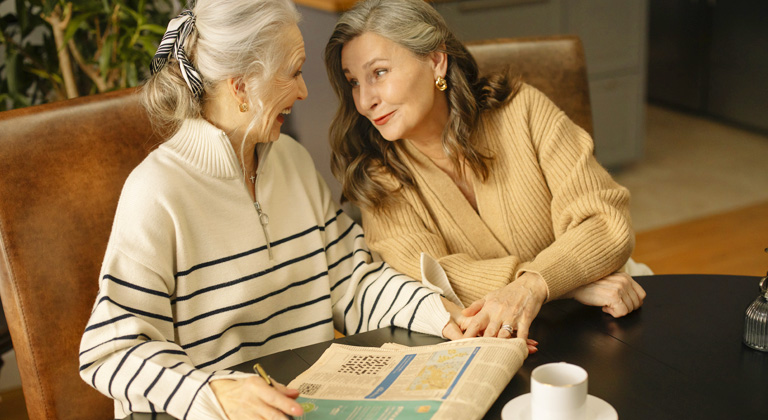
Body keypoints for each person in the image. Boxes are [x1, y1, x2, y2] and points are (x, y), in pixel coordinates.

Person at [78, 1, 480, 419]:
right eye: (293, 72)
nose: (304, 91)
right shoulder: (156, 192)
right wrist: (215, 395)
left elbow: (353, 283)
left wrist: (438, 312)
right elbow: (109, 351)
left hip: (309, 405)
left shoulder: (291, 160)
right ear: (241, 86)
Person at [324, 0, 648, 342]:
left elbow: (605, 223)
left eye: (379, 73)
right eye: (354, 82)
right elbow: (436, 279)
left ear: (436, 60)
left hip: (607, 311)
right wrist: (561, 285)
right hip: (512, 335)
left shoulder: (523, 110)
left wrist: (537, 283)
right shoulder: (377, 175)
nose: (364, 101)